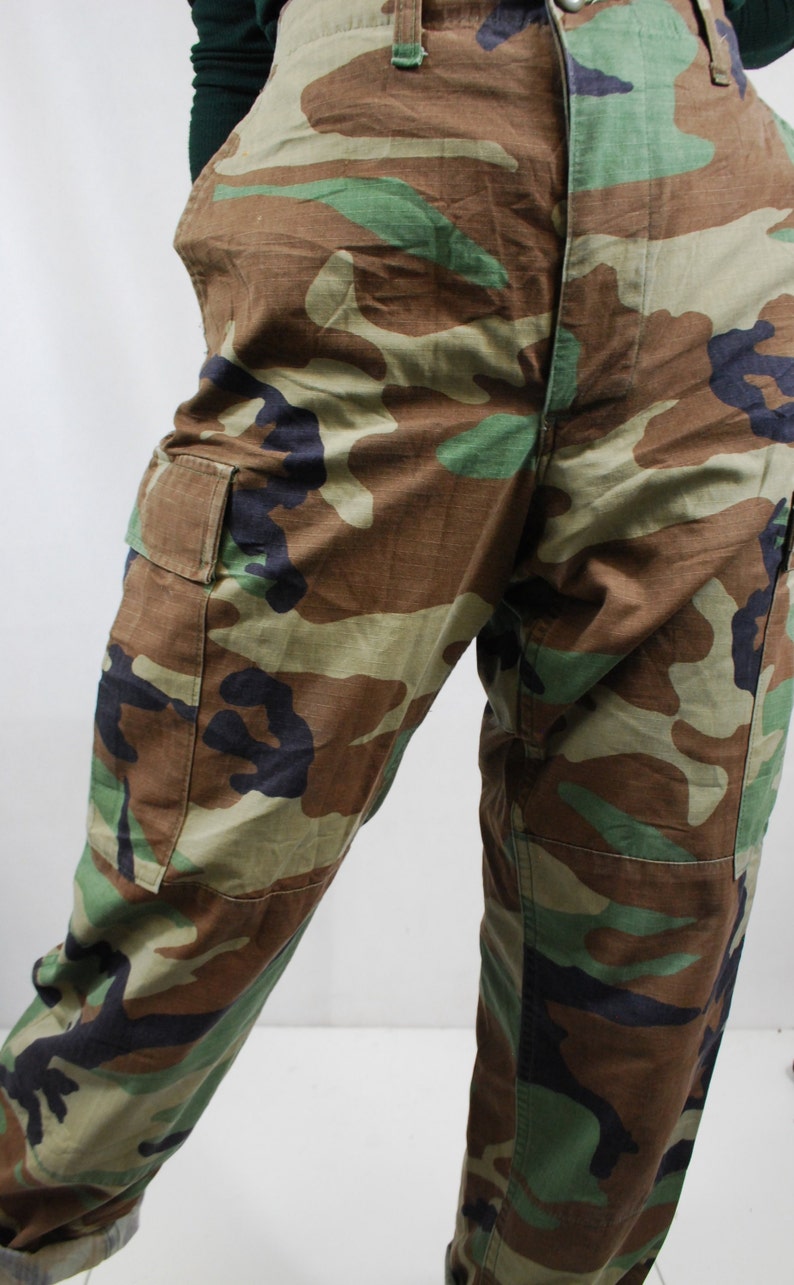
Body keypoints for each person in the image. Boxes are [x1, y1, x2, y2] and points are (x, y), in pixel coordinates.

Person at [1, 0, 794, 1280]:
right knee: (200, 865)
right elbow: (229, 32)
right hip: (373, 186)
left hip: (709, 242)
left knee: (651, 905)